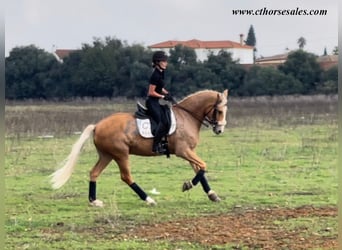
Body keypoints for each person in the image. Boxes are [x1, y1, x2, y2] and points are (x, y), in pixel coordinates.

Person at [146, 51, 172, 153]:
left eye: (166, 61)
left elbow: (160, 87)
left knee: (166, 118)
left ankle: (163, 142)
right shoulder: (155, 75)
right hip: (152, 103)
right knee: (162, 122)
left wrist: (167, 93)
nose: (166, 63)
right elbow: (151, 92)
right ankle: (155, 146)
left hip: (156, 102)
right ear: (157, 62)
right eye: (164, 61)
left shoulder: (161, 73)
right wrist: (162, 96)